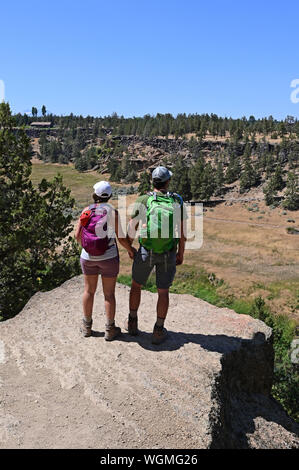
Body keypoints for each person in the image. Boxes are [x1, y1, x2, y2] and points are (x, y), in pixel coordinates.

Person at [125, 166, 187, 344]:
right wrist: (181, 252)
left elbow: (131, 228)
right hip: (168, 252)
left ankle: (132, 323)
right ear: (168, 182)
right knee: (163, 291)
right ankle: (158, 330)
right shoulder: (177, 200)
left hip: (146, 250)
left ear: (152, 181)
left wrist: (130, 248)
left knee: (136, 286)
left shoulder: (144, 199)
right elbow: (182, 232)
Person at [75, 181, 135, 341]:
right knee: (109, 294)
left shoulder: (86, 211)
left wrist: (89, 248)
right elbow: (121, 238)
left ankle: (87, 326)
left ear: (94, 194)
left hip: (87, 257)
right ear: (109, 196)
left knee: (89, 291)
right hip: (108, 257)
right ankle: (110, 329)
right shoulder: (112, 213)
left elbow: (77, 236)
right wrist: (131, 250)